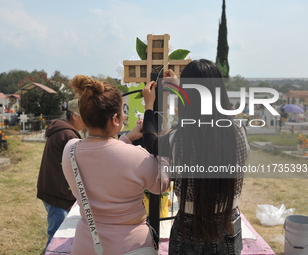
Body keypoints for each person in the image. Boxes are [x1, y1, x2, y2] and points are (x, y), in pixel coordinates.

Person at [142, 59, 250, 255]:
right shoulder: (238, 131)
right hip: (228, 221)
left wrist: (149, 106)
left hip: (189, 225)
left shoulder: (179, 138)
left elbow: (150, 141)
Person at [61, 75, 169, 255]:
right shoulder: (136, 157)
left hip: (86, 243)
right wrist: (163, 150)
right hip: (130, 245)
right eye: (123, 112)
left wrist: (126, 139)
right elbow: (161, 185)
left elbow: (104, 156)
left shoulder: (69, 150)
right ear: (115, 119)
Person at [37, 99, 86, 248]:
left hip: (53, 190)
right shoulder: (67, 135)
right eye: (85, 117)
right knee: (56, 237)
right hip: (57, 193)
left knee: (58, 234)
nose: (88, 122)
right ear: (75, 116)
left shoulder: (62, 131)